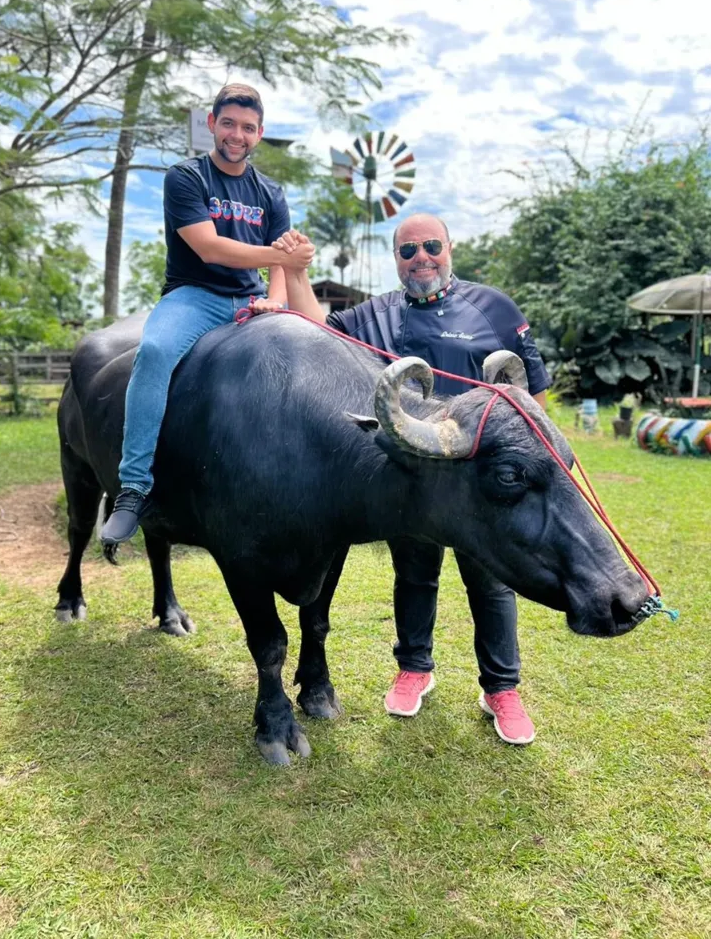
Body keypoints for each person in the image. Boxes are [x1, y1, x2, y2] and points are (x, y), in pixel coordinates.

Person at [274, 212, 551, 745]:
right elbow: (316, 332)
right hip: (414, 476)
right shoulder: (378, 315)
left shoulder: (493, 307)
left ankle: (502, 688)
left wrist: (545, 467)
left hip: (482, 479)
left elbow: (531, 394)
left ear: (449, 248)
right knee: (415, 577)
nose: (420, 258)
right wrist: (296, 272)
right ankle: (414, 668)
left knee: (490, 584)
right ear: (396, 260)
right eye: (407, 251)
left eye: (430, 246)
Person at [100, 84, 313, 545]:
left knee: (306, 356)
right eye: (230, 124)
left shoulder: (270, 192)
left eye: (249, 128)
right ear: (212, 124)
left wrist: (278, 298)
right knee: (154, 353)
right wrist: (281, 257)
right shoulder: (185, 177)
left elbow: (280, 264)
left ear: (260, 134)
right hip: (195, 296)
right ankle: (133, 487)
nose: (238, 135)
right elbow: (209, 247)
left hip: (253, 300)